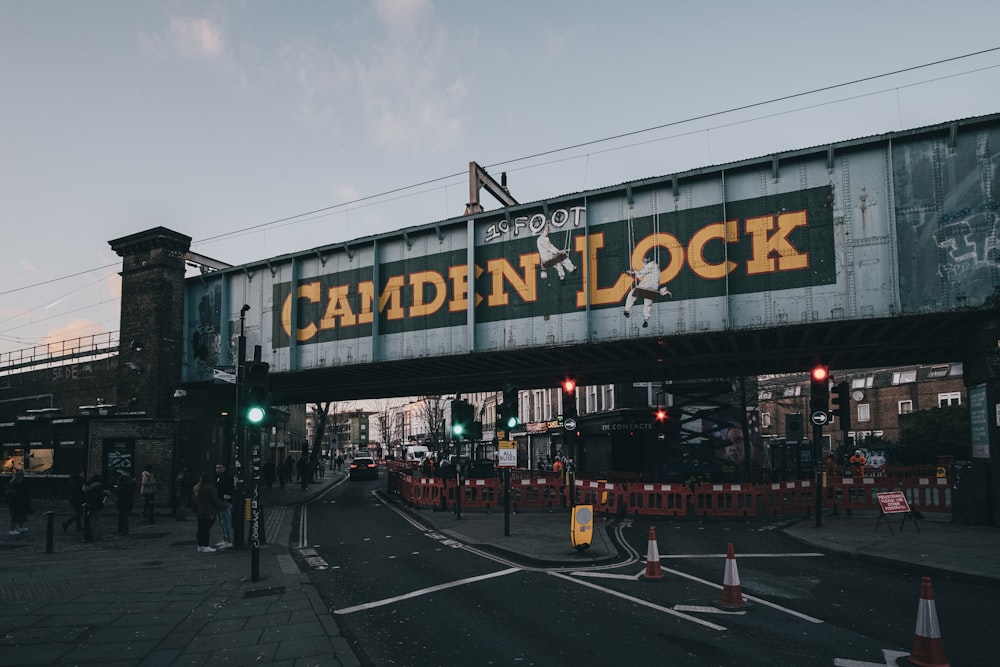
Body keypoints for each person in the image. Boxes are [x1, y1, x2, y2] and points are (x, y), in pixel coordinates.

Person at [623, 255, 671, 327]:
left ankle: (626, 310)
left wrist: (634, 271)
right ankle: (646, 319)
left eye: (644, 260)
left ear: (648, 260)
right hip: (653, 289)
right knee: (648, 305)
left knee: (632, 293)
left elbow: (640, 274)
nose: (643, 262)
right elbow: (643, 274)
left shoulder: (651, 265)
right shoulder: (654, 267)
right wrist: (633, 272)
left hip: (645, 286)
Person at [193, 471, 229, 553]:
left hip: (200, 510)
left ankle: (200, 545)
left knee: (201, 528)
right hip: (208, 510)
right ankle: (206, 545)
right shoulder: (210, 488)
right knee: (206, 529)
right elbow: (215, 500)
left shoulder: (198, 487)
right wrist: (224, 505)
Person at [214, 463, 235, 549]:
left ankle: (228, 540)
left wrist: (225, 498)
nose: (218, 469)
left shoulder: (227, 477)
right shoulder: (217, 477)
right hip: (219, 500)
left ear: (224, 468)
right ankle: (225, 538)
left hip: (225, 501)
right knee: (222, 520)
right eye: (217, 467)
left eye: (220, 467)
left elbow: (229, 488)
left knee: (225, 520)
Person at [4, 469, 31, 535]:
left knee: (18, 515)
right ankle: (14, 529)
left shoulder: (13, 482)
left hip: (14, 502)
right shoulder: (21, 482)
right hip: (17, 502)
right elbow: (24, 493)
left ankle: (18, 528)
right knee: (17, 515)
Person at [83, 474, 109, 541]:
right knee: (96, 521)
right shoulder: (98, 486)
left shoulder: (87, 486)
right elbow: (100, 495)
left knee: (92, 519)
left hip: (90, 504)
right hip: (97, 505)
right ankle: (95, 535)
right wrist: (106, 493)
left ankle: (91, 534)